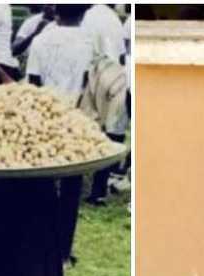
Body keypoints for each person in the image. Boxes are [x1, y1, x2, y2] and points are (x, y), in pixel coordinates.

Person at [27, 4, 94, 266]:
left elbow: (33, 82)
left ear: (55, 9)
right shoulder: (89, 43)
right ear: (84, 11)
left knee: (39, 184)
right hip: (74, 119)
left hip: (43, 117)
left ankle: (37, 245)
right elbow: (88, 82)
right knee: (70, 188)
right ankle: (63, 253)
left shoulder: (41, 40)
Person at [80, 3, 127, 206]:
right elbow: (122, 54)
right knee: (112, 130)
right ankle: (99, 190)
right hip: (116, 73)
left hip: (96, 72)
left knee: (87, 127)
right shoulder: (115, 19)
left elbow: (84, 50)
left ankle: (77, 183)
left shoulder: (88, 16)